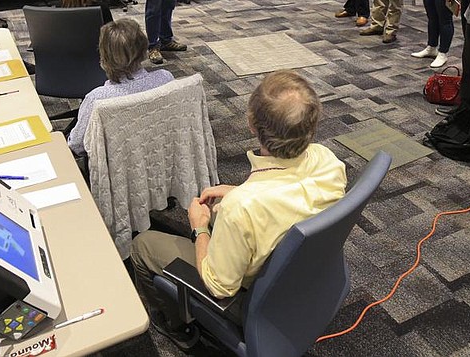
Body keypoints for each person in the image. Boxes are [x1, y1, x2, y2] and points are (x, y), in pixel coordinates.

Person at [131, 70, 347, 349]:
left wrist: (199, 228)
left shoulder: (241, 209)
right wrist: (238, 191)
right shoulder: (328, 161)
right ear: (312, 126)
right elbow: (291, 197)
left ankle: (176, 327)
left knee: (143, 245)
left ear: (251, 124)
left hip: (255, 300)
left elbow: (220, 287)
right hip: (308, 281)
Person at [67, 18, 173, 156]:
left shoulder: (97, 99)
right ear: (144, 50)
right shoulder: (166, 79)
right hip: (162, 157)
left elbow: (77, 145)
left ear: (104, 55)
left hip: (119, 170)